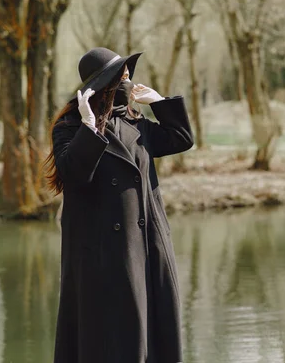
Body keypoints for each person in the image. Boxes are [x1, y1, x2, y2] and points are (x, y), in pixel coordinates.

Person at [44, 47, 194, 363]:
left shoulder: (135, 123)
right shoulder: (70, 127)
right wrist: (89, 129)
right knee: (109, 340)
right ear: (106, 84)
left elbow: (181, 138)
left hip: (147, 247)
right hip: (102, 256)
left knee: (150, 334)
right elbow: (72, 174)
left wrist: (159, 103)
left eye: (129, 75)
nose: (129, 81)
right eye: (123, 76)